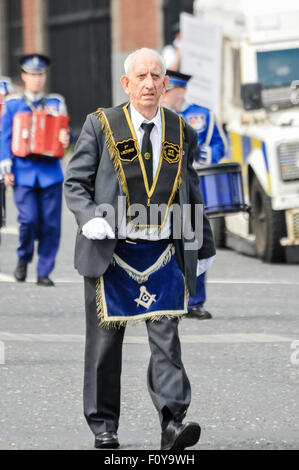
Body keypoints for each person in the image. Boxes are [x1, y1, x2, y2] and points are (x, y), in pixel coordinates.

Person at [64, 48, 216, 450]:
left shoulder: (182, 130)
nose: (149, 83)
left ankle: (173, 422)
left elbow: (192, 191)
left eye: (156, 76)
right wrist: (87, 217)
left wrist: (203, 246)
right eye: (141, 76)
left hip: (162, 252)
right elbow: (75, 183)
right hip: (111, 252)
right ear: (126, 83)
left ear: (165, 83)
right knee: (105, 346)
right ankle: (104, 427)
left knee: (167, 341)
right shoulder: (101, 125)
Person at [161, 70, 227, 320]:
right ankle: (170, 297)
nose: (164, 96)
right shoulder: (157, 115)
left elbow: (222, 145)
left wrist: (202, 155)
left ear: (181, 91)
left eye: (168, 92)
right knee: (166, 241)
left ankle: (195, 301)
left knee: (196, 241)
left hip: (194, 185)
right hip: (165, 190)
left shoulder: (203, 114)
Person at [0, 54, 70, 286]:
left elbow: (64, 133)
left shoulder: (56, 103)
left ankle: (44, 271)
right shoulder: (12, 104)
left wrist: (64, 138)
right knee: (28, 220)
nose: (36, 80)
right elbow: (5, 137)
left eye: (40, 75)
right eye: (32, 75)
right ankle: (23, 258)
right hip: (23, 172)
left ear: (44, 77)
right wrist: (5, 166)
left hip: (50, 172)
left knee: (51, 224)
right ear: (24, 76)